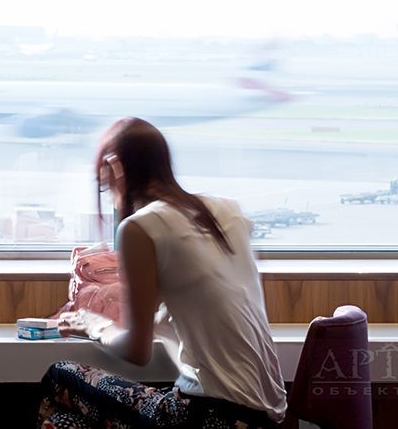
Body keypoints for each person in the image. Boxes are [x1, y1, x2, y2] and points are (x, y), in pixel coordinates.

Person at [37, 118, 286, 429]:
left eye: (105, 185)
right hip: (264, 419)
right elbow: (209, 295)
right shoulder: (228, 210)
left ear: (115, 167)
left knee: (60, 375)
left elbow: (137, 350)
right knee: (63, 422)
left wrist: (92, 325)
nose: (111, 197)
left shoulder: (141, 227)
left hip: (210, 415)